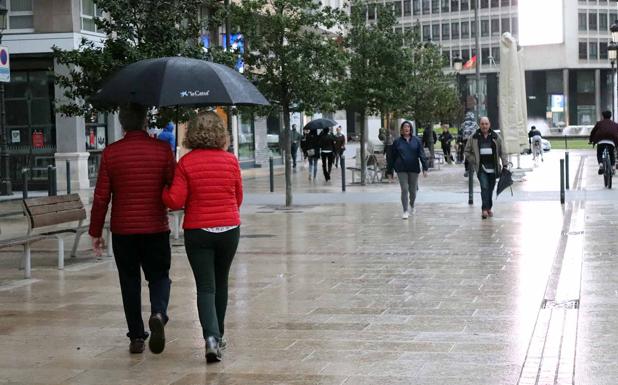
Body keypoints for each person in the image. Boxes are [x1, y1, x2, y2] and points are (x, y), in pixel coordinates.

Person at [89, 103, 175, 355]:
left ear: (123, 124)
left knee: (129, 281)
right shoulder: (162, 150)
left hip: (123, 230)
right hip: (156, 227)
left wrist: (96, 231)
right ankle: (158, 312)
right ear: (145, 122)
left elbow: (101, 196)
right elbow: (173, 186)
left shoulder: (111, 153)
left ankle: (136, 337)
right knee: (159, 276)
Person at [162, 111, 242, 363]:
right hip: (229, 228)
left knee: (206, 286)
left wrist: (164, 189)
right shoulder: (231, 161)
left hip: (198, 231)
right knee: (222, 282)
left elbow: (175, 201)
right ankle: (219, 335)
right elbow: (238, 198)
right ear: (221, 133)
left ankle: (210, 337)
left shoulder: (186, 163)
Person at [464, 117, 508, 219]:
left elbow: (503, 151)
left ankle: (489, 208)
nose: (484, 126)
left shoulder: (496, 137)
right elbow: (467, 151)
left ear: (489, 124)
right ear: (480, 125)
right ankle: (484, 209)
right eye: (482, 124)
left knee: (490, 189)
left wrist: (505, 164)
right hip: (481, 168)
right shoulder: (474, 137)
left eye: (486, 124)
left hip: (493, 168)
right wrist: (474, 160)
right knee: (484, 187)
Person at [386, 121, 429, 219]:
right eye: (404, 127)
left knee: (413, 191)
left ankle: (412, 205)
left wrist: (425, 168)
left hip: (413, 168)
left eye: (408, 127)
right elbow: (392, 157)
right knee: (404, 189)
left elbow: (421, 154)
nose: (406, 128)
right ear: (401, 129)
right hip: (401, 169)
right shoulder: (397, 142)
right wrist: (389, 171)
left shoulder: (417, 140)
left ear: (410, 129)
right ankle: (405, 210)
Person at [589, 110, 618, 175]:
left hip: (601, 142)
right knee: (611, 154)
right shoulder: (615, 124)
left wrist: (591, 140)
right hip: (611, 142)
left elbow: (593, 132)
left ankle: (601, 164)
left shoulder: (599, 123)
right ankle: (613, 167)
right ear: (611, 116)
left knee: (599, 153)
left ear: (603, 116)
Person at [460, 111, 478, 176]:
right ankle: (473, 168)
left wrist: (460, 141)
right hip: (474, 141)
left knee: (467, 154)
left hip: (466, 141)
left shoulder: (464, 124)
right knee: (474, 154)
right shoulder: (475, 124)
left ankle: (467, 169)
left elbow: (461, 132)